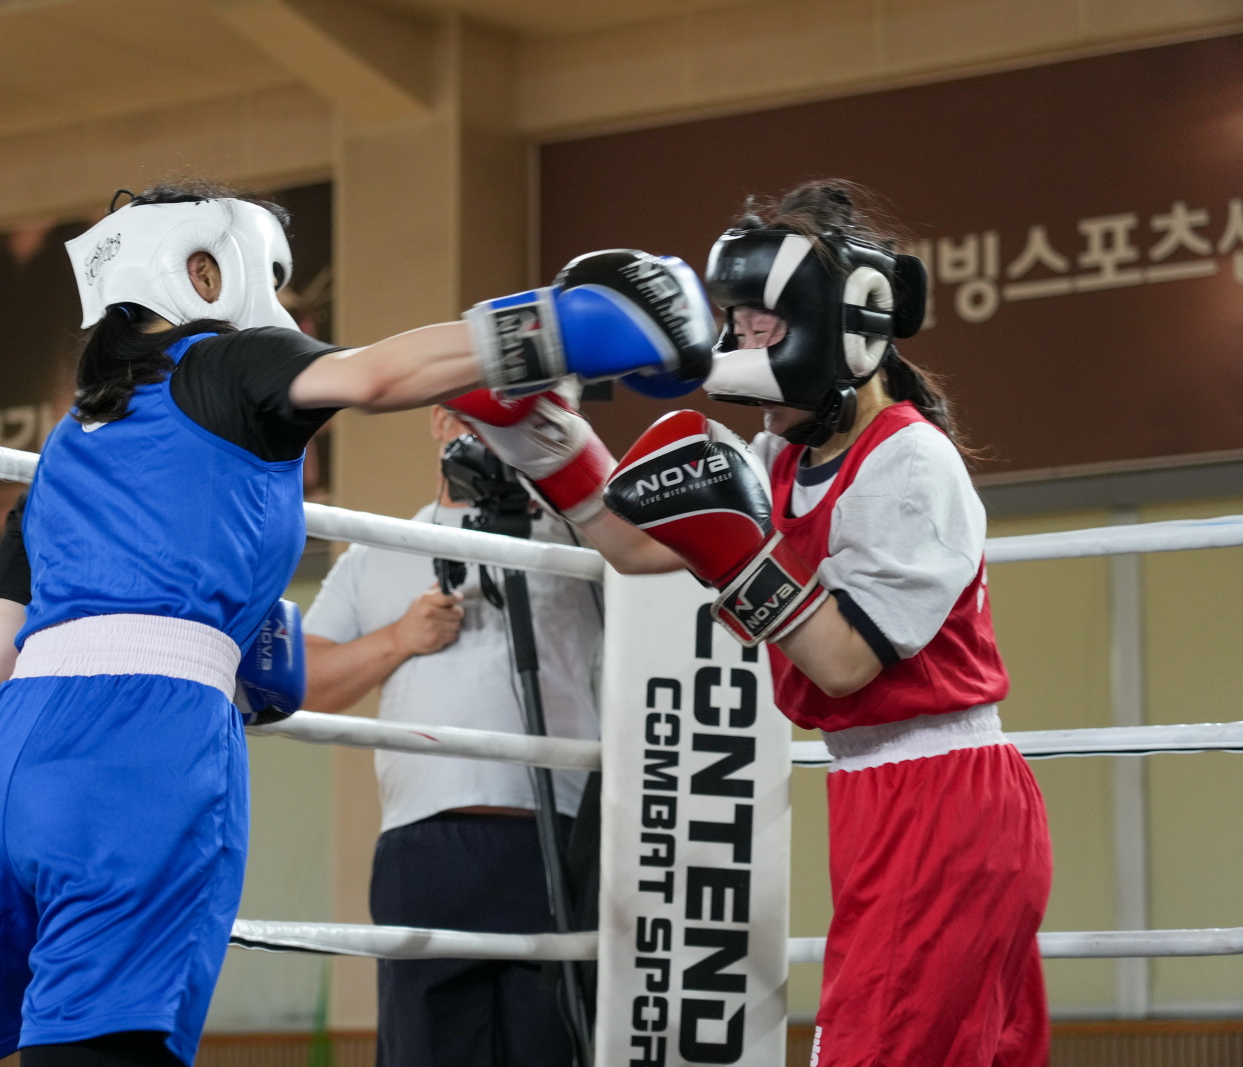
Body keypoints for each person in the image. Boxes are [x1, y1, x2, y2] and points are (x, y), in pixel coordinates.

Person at [0, 177, 718, 1067]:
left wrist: (215, 646)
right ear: (202, 270)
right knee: (118, 1049)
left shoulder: (68, 440)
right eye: (267, 280)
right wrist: (569, 321)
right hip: (139, 749)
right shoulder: (221, 365)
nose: (276, 308)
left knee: (67, 1038)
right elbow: (375, 373)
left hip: (9, 766)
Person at [449, 181, 1051, 1067]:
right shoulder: (783, 452)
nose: (734, 346)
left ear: (830, 319)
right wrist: (542, 440)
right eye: (731, 321)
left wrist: (740, 560)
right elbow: (634, 546)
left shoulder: (911, 463)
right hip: (886, 795)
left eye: (756, 322)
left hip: (943, 792)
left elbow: (844, 661)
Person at [300, 402, 602, 1067]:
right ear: (439, 421)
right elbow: (304, 680)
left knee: (554, 1047)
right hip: (428, 840)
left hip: (558, 840)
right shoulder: (378, 548)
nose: (494, 434)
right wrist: (397, 639)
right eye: (477, 415)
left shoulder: (589, 546)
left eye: (517, 415)